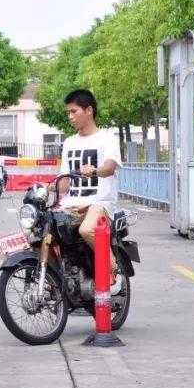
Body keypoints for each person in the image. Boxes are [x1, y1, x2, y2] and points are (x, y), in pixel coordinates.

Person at [59, 89, 123, 290]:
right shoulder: (69, 142)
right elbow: (64, 183)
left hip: (99, 203)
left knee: (87, 229)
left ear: (88, 110)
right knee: (42, 230)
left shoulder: (107, 138)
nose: (70, 116)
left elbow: (110, 168)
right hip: (71, 204)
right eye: (68, 112)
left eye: (73, 111)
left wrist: (95, 170)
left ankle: (113, 270)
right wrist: (47, 187)